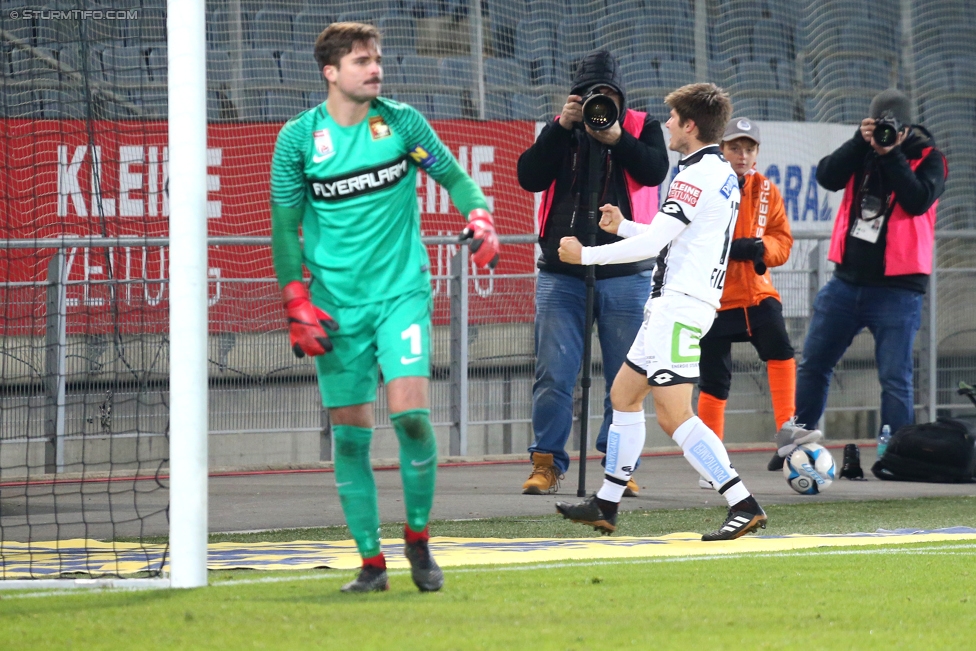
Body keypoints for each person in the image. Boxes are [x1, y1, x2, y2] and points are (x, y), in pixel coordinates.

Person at [269, 23, 499, 593]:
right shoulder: (298, 140)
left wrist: (480, 216)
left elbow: (457, 180)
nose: (375, 69)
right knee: (350, 438)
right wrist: (295, 296)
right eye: (361, 61)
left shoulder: (401, 122)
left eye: (377, 59)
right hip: (335, 307)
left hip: (401, 294)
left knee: (411, 418)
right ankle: (371, 563)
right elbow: (284, 229)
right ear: (331, 72)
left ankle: (417, 538)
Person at [554, 83, 768, 541]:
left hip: (680, 307)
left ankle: (742, 502)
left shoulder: (696, 175)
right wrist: (624, 225)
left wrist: (585, 256)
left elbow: (655, 245)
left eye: (673, 118)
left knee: (674, 416)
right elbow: (678, 235)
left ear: (690, 125)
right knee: (624, 395)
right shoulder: (715, 170)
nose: (667, 124)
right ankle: (606, 503)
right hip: (676, 304)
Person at [516, 49, 669, 496]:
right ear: (575, 98)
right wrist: (561, 128)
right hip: (562, 273)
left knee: (626, 376)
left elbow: (655, 169)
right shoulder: (562, 129)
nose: (597, 106)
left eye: (606, 97)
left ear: (620, 99)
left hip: (625, 271)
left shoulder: (643, 127)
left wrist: (616, 137)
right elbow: (529, 176)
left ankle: (619, 467)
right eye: (588, 97)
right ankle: (545, 463)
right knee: (553, 373)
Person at [795, 89, 947, 447]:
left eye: (893, 128)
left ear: (907, 129)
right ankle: (797, 440)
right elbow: (827, 177)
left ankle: (896, 451)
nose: (885, 133)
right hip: (845, 282)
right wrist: (857, 142)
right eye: (879, 126)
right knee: (813, 363)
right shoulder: (860, 150)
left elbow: (918, 199)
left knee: (895, 378)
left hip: (899, 288)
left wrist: (891, 155)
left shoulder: (930, 158)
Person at [696, 117, 823, 477]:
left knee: (781, 350)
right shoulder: (706, 183)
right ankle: (712, 465)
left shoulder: (767, 188)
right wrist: (729, 248)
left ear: (757, 153)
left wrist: (758, 248)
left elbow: (783, 241)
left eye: (749, 148)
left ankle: (787, 429)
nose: (742, 154)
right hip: (713, 296)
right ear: (721, 149)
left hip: (755, 291)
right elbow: (689, 234)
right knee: (714, 381)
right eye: (735, 147)